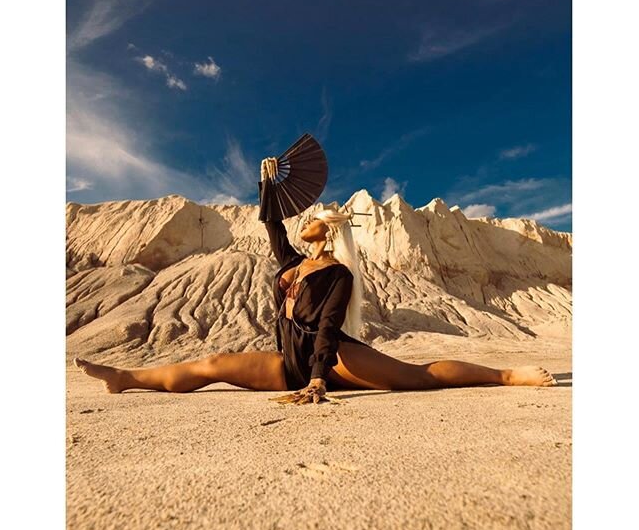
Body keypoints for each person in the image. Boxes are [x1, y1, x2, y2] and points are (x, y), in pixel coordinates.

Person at [74, 157, 556, 405]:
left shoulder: (338, 273)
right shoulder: (290, 264)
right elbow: (271, 226)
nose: (308, 221)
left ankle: (505, 375)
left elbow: (328, 326)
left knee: (418, 377)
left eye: (317, 220)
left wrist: (320, 379)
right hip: (289, 360)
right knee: (214, 363)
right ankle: (124, 379)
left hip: (334, 358)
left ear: (329, 232)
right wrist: (268, 185)